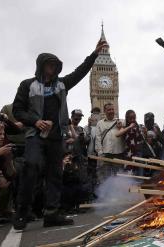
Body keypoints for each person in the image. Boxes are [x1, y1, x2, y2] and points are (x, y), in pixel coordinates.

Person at [12, 40, 108, 230]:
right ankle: (22, 212)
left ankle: (52, 213)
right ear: (41, 66)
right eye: (49, 64)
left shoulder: (62, 85)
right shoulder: (27, 85)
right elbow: (17, 110)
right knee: (31, 167)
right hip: (35, 136)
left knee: (55, 174)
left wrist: (94, 55)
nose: (53, 67)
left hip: (56, 137)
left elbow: (80, 72)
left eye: (55, 65)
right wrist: (35, 121)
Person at [95, 103, 126, 178]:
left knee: (119, 177)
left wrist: (121, 128)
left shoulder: (121, 122)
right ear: (105, 111)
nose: (111, 111)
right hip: (105, 155)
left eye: (112, 109)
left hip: (119, 154)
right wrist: (100, 153)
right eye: (109, 110)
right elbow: (98, 139)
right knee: (106, 178)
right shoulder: (100, 123)